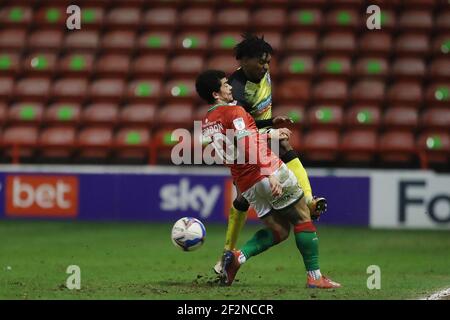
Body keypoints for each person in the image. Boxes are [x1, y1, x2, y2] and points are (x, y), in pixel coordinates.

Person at [196, 69, 341, 288]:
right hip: (266, 171)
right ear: (216, 94)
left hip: (246, 183)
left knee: (279, 230)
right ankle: (315, 276)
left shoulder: (208, 121)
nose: (230, 87)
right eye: (226, 85)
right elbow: (246, 144)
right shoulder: (234, 111)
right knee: (303, 217)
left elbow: (239, 140)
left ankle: (237, 258)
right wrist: (268, 173)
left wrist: (270, 133)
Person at [214, 34, 327, 274]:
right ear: (243, 60)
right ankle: (227, 251)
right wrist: (269, 131)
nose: (265, 66)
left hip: (259, 131)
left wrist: (271, 122)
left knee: (284, 145)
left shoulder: (262, 74)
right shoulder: (236, 91)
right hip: (245, 145)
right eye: (260, 61)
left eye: (268, 62)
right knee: (242, 199)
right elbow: (241, 130)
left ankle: (309, 199)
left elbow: (254, 120)